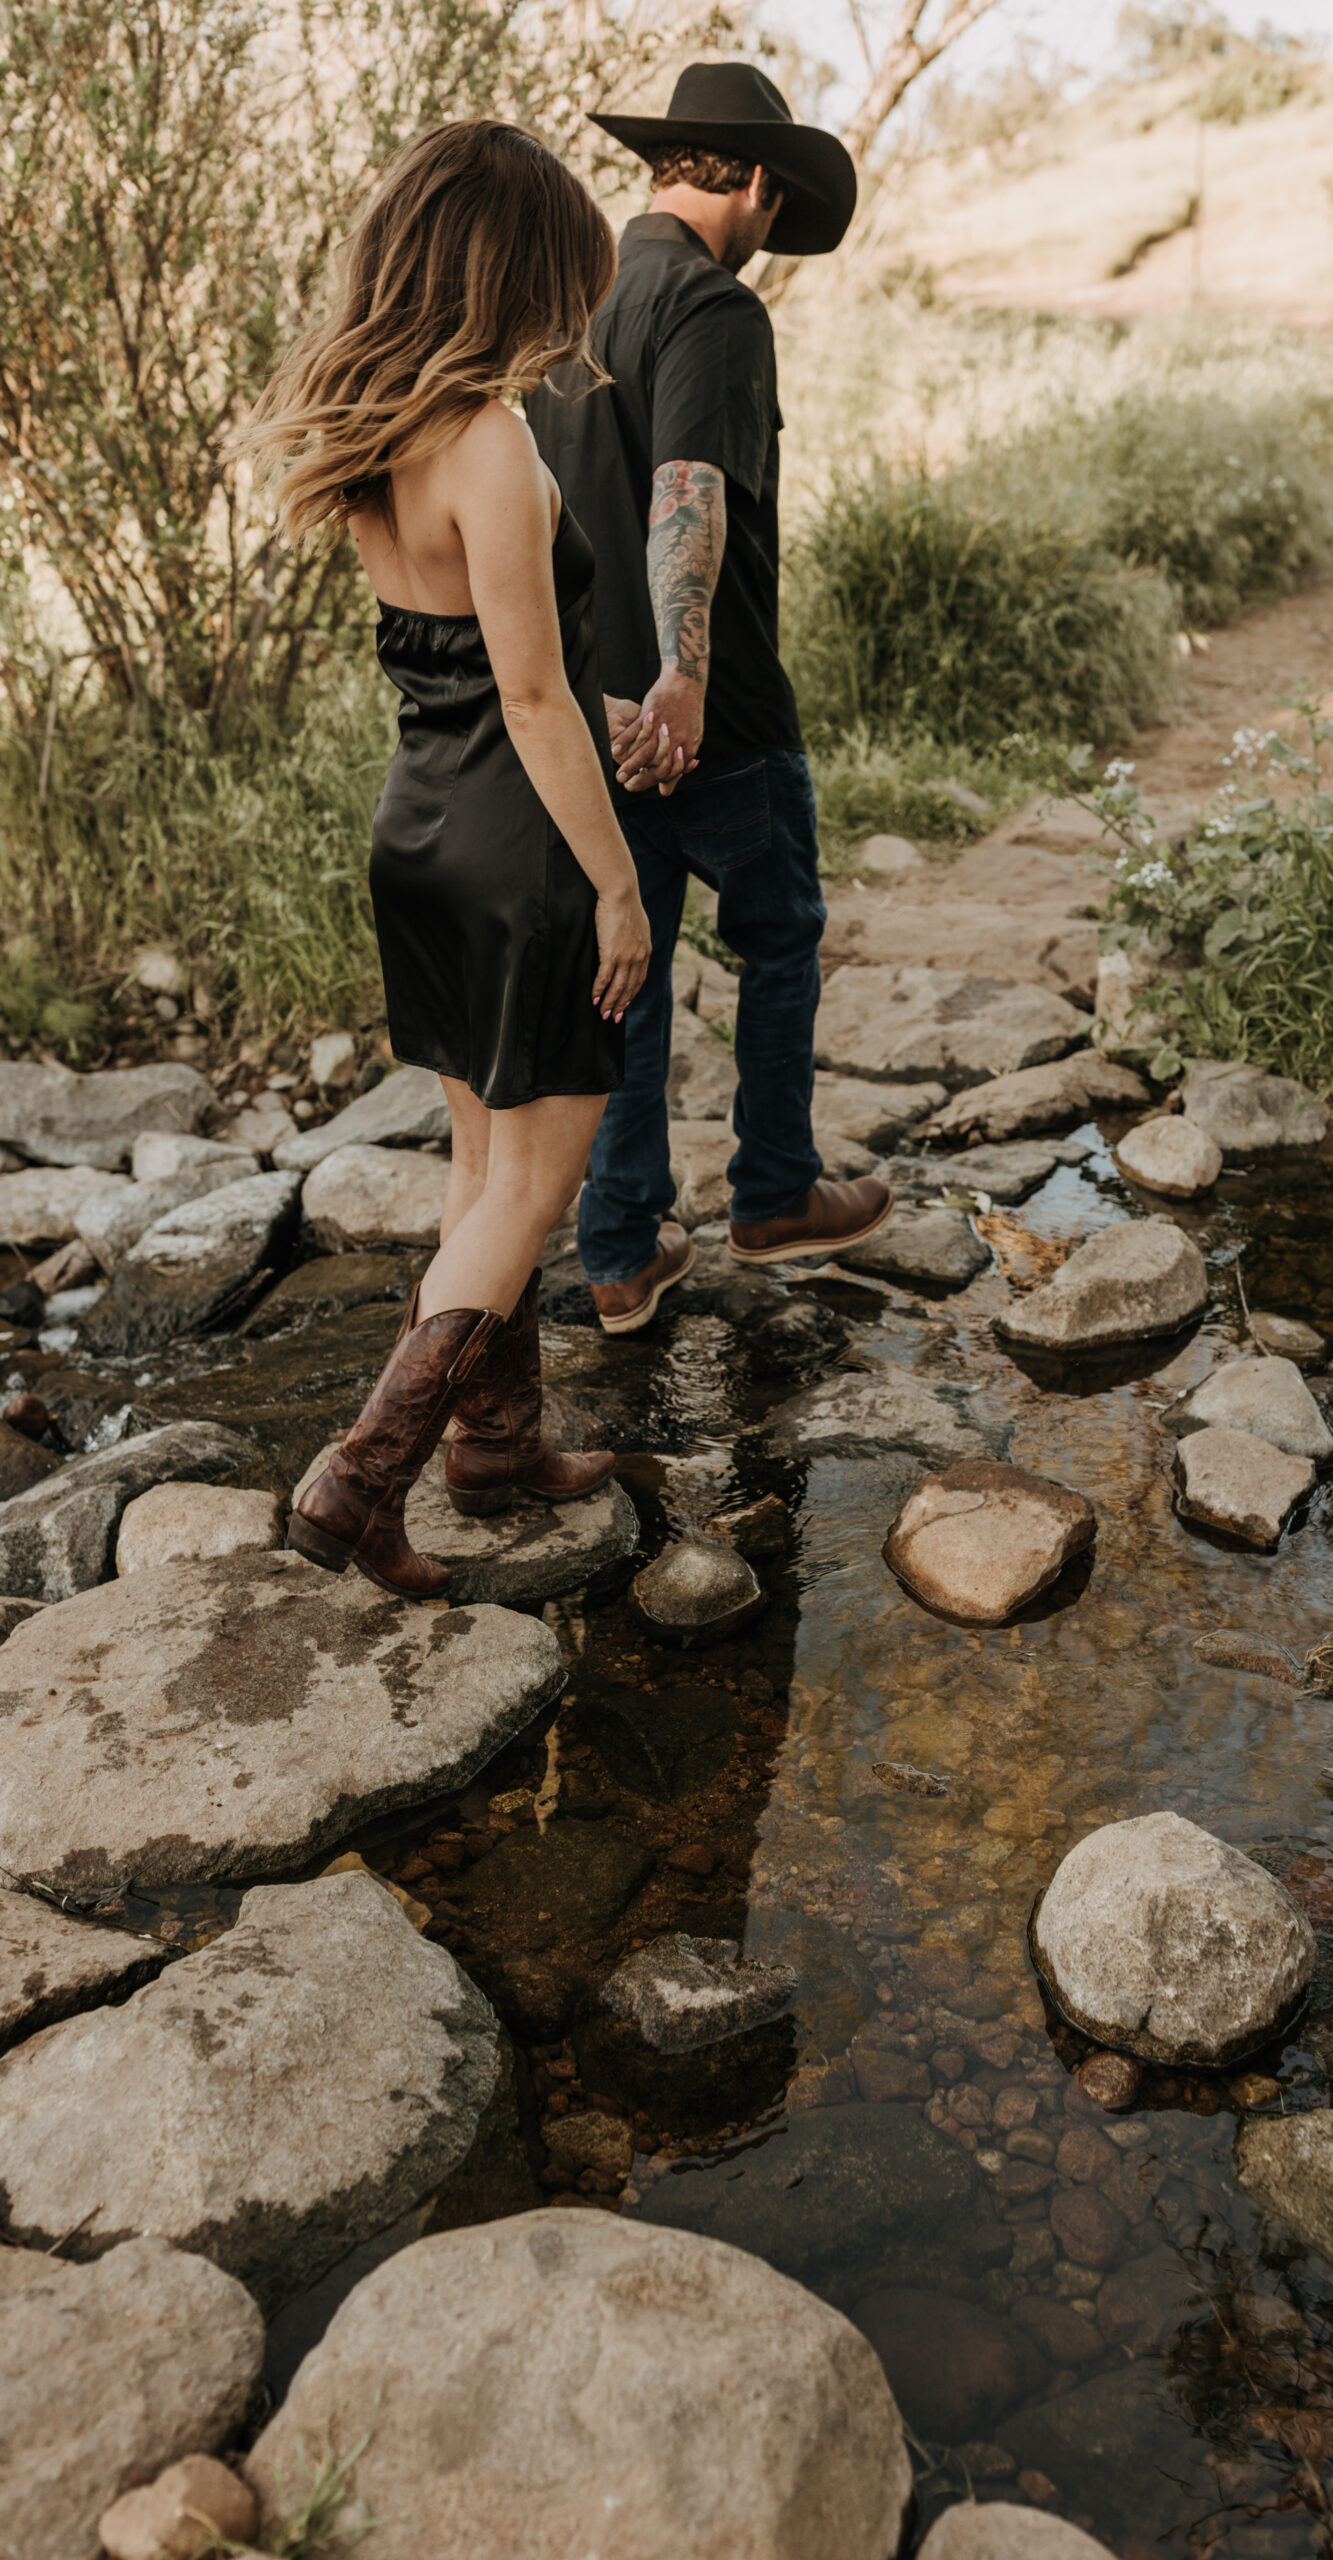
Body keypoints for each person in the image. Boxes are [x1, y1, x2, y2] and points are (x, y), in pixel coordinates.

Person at [248, 121, 672, 1596]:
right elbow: (534, 696)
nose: (571, 318)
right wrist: (619, 884)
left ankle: (492, 1442)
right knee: (528, 1188)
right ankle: (362, 1478)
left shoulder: (378, 436)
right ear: (510, 271)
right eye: (562, 281)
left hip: (420, 828)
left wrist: (590, 706)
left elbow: (465, 665)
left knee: (481, 1169)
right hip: (520, 851)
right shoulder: (487, 440)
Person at [529, 61, 892, 1337]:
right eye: (774, 200)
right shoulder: (714, 307)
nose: (773, 229)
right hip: (711, 716)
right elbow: (689, 487)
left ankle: (623, 1251)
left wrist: (603, 689)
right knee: (781, 936)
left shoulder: (566, 307)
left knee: (624, 972)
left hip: (593, 718)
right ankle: (775, 1194)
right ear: (741, 175)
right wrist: (686, 675)